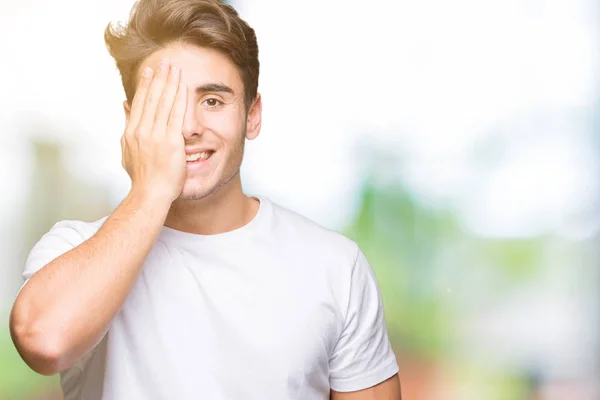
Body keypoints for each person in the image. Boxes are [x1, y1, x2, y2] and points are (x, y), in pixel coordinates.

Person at [9, 0, 401, 398]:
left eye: (212, 100)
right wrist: (150, 190)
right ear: (132, 122)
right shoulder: (72, 250)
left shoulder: (334, 266)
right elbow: (45, 342)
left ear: (252, 114)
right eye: (166, 106)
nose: (190, 127)